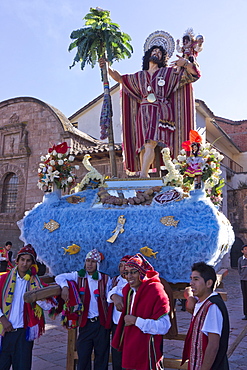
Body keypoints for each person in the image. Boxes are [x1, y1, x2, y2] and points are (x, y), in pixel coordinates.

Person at [99, 30, 200, 178]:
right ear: (148, 55)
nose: (156, 53)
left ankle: (144, 175)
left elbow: (194, 74)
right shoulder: (139, 76)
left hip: (160, 110)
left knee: (150, 143)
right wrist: (107, 67)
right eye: (154, 50)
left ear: (164, 57)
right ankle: (144, 175)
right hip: (143, 111)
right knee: (142, 146)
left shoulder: (170, 73)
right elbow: (120, 78)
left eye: (160, 52)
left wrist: (185, 63)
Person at [55, 248, 112, 370]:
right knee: (83, 354)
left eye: (92, 261)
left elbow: (109, 300)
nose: (89, 264)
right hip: (85, 323)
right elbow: (59, 277)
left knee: (102, 355)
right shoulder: (78, 276)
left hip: (101, 324)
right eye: (87, 261)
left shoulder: (106, 279)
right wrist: (65, 287)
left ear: (97, 264)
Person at [112, 253, 171, 370]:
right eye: (126, 273)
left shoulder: (156, 291)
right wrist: (113, 295)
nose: (129, 276)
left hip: (147, 352)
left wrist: (136, 321)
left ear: (142, 272)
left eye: (133, 272)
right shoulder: (128, 291)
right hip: (130, 350)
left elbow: (164, 326)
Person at [0, 244, 53, 370]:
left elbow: (47, 306)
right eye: (22, 260)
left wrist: (38, 297)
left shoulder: (36, 284)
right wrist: (3, 319)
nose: (24, 263)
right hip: (4, 332)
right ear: (16, 261)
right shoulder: (3, 280)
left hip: (24, 334)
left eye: (28, 260)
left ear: (32, 264)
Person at [182, 262, 230, 370]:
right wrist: (190, 297)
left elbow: (213, 346)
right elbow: (188, 291)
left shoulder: (212, 307)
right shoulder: (201, 302)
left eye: (196, 279)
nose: (191, 283)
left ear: (209, 283)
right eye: (191, 279)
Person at [107, 255, 132, 370]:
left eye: (125, 266)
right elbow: (110, 294)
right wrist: (114, 296)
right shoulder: (116, 280)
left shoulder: (135, 282)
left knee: (130, 353)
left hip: (131, 323)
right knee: (117, 352)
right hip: (117, 323)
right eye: (121, 266)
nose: (123, 268)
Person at [238, 244, 247, 320]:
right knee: (245, 297)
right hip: (243, 280)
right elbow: (239, 270)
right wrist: (242, 276)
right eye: (245, 249)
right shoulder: (240, 260)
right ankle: (246, 313)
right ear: (242, 251)